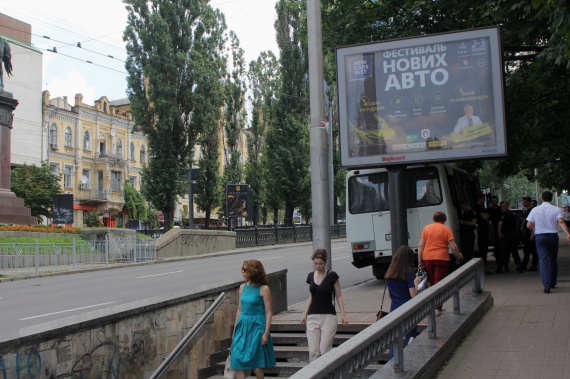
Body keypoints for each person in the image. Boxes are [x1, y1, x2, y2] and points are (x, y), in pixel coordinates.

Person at [301, 249, 349, 362]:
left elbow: (339, 296)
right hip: (312, 316)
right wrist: (305, 314)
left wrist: (343, 315)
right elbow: (311, 296)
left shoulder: (332, 276)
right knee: (313, 351)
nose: (318, 266)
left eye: (320, 263)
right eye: (315, 263)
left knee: (324, 350)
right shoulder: (310, 276)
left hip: (328, 316)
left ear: (325, 262)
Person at [230, 260, 276, 379]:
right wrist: (235, 329)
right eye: (242, 269)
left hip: (257, 326)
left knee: (256, 358)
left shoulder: (264, 289)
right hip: (243, 324)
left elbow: (269, 312)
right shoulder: (242, 287)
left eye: (245, 270)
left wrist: (266, 332)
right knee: (237, 357)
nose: (242, 272)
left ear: (253, 272)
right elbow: (240, 309)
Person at [418, 211, 463, 316]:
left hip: (427, 258)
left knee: (432, 281)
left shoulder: (426, 228)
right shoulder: (446, 229)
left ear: (434, 219)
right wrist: (458, 255)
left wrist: (420, 260)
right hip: (441, 258)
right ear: (444, 220)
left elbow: (421, 246)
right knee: (439, 282)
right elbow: (453, 246)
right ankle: (437, 308)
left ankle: (432, 305)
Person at [526, 191, 570, 293]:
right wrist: (567, 233)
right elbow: (561, 221)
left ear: (542, 198)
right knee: (553, 260)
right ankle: (552, 282)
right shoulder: (556, 209)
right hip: (553, 236)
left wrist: (534, 230)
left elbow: (528, 225)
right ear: (551, 199)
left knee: (543, 260)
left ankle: (546, 285)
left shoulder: (535, 210)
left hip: (540, 237)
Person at [384, 245, 422, 359]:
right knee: (410, 336)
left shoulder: (390, 272)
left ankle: (391, 362)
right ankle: (406, 360)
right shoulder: (408, 273)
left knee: (395, 339)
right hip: (407, 309)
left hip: (394, 308)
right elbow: (413, 294)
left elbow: (389, 294)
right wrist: (417, 282)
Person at [496, 201, 523, 274]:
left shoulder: (505, 215)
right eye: (501, 207)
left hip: (506, 235)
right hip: (513, 235)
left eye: (504, 206)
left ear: (508, 207)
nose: (502, 208)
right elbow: (520, 222)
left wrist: (499, 233)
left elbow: (500, 223)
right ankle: (518, 266)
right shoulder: (513, 214)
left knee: (503, 252)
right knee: (514, 252)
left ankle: (500, 268)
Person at [474, 193, 492, 274]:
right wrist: (487, 216)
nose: (484, 200)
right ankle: (482, 268)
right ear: (479, 198)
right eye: (483, 198)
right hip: (481, 230)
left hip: (483, 230)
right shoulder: (478, 208)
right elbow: (486, 217)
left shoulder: (482, 207)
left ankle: (483, 267)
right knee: (483, 250)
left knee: (484, 250)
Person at [521, 196, 538, 271]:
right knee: (528, 250)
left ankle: (530, 265)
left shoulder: (531, 210)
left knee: (530, 250)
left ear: (529, 202)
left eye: (524, 202)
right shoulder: (528, 210)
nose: (523, 203)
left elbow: (533, 223)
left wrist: (532, 233)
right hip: (528, 232)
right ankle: (526, 265)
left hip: (530, 232)